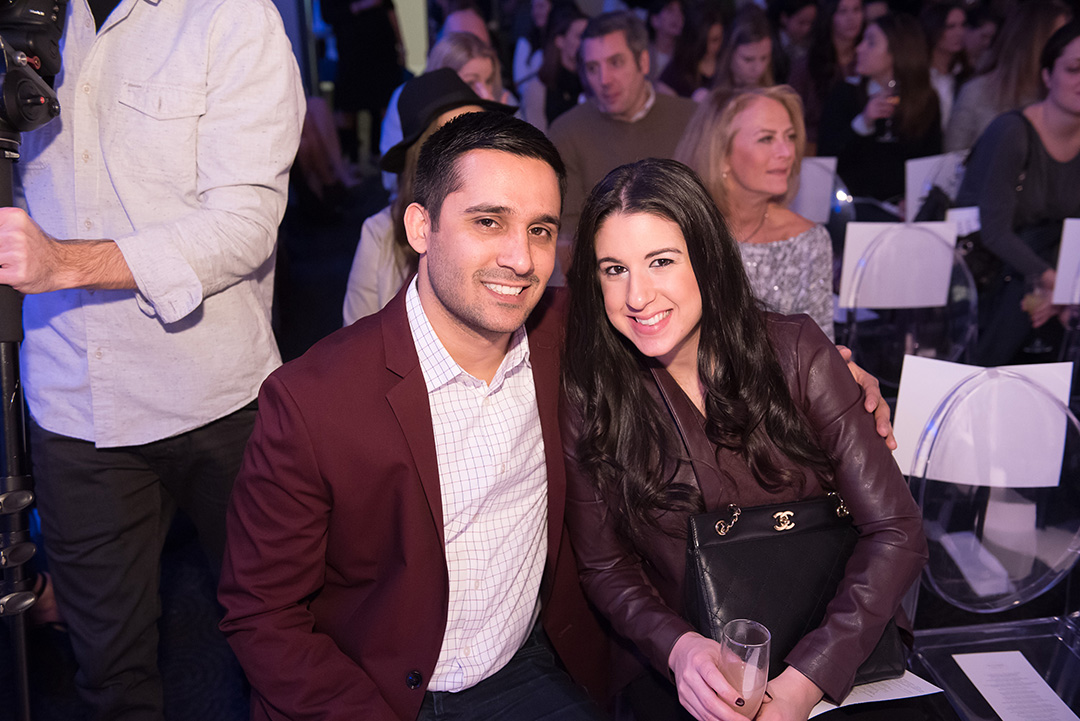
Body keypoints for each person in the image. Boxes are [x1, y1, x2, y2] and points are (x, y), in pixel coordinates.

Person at [219, 111, 607, 721]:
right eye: (488, 221)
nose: (522, 259)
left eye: (540, 230)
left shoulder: (566, 335)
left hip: (526, 665)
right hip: (374, 690)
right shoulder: (313, 402)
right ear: (420, 227)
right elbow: (261, 612)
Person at [0, 0, 304, 715]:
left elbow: (246, 224)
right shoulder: (27, 17)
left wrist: (64, 265)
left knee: (278, 642)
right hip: (75, 402)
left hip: (219, 394)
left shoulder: (232, 16)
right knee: (107, 674)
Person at [560, 157, 927, 721]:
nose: (637, 295)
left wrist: (805, 683)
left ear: (706, 259)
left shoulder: (797, 352)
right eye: (614, 269)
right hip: (686, 671)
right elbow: (606, 567)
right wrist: (679, 650)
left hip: (837, 653)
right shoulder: (595, 396)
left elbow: (896, 530)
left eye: (661, 261)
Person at [343, 69, 512, 324]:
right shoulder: (381, 233)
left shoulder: (513, 219)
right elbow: (354, 341)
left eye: (479, 133)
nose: (474, 149)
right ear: (423, 156)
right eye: (455, 138)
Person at [956, 20, 1080, 366]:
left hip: (1056, 275)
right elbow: (994, 231)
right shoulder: (1011, 132)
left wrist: (1066, 292)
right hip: (996, 276)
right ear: (1046, 75)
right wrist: (1055, 284)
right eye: (1074, 69)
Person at [675, 86, 834, 340]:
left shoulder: (808, 241)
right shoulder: (679, 233)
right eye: (766, 139)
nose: (787, 152)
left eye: (790, 137)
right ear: (722, 154)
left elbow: (820, 352)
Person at [548, 10, 697, 277]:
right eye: (593, 68)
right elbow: (567, 235)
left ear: (643, 62)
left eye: (615, 62)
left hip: (693, 270)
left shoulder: (692, 118)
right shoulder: (567, 131)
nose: (604, 80)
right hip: (605, 278)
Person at [818, 13, 941, 204]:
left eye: (871, 43)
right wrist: (863, 122)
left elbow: (930, 163)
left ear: (897, 52)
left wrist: (913, 199)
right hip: (852, 207)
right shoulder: (845, 93)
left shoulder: (925, 99)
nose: (859, 49)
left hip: (902, 212)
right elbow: (827, 160)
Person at [945, 0, 1070, 152]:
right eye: (1058, 39)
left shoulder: (1064, 95)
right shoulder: (977, 93)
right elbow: (952, 163)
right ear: (1033, 42)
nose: (1066, 48)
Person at [789, 0, 864, 146]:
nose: (851, 18)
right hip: (814, 148)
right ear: (829, 16)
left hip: (859, 146)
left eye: (857, 10)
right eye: (843, 11)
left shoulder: (869, 60)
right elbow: (791, 113)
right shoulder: (806, 65)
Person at [519, 2, 589, 134]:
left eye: (588, 36)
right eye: (580, 36)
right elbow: (538, 141)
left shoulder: (594, 83)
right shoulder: (538, 88)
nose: (586, 43)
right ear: (560, 41)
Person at [693, 5, 775, 101]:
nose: (758, 68)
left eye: (764, 58)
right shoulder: (707, 97)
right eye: (748, 59)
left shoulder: (773, 100)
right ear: (730, 54)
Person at [657, 4, 726, 98]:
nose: (709, 47)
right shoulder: (676, 71)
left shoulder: (728, 67)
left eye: (715, 40)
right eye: (704, 41)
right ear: (693, 39)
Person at [921, 3, 970, 131]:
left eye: (963, 25)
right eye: (951, 27)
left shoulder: (966, 74)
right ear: (934, 28)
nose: (959, 32)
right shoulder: (918, 74)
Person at [647, 0, 686, 80]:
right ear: (655, 20)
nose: (677, 16)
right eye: (670, 10)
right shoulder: (643, 52)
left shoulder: (685, 57)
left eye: (681, 11)